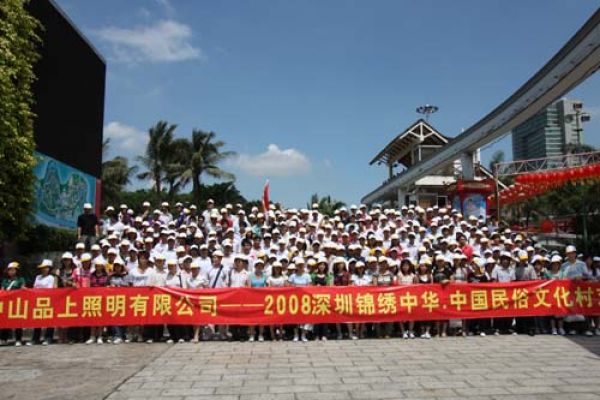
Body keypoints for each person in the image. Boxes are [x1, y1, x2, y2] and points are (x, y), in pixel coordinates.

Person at [31, 259, 56, 345]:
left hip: (48, 301)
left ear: (49, 269)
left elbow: (50, 289)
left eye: (46, 268)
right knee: (37, 320)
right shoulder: (38, 277)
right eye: (43, 268)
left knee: (49, 320)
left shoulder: (51, 278)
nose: (44, 269)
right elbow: (35, 287)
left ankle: (48, 338)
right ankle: (35, 338)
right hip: (38, 300)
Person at [0, 262, 26, 346]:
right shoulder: (5, 280)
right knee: (6, 321)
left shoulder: (20, 279)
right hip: (7, 304)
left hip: (17, 303)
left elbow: (23, 289)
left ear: (17, 271)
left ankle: (18, 339)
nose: (11, 271)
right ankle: (3, 339)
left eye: (13, 270)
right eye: (9, 270)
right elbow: (2, 290)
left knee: (18, 321)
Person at [287, 261, 312, 342]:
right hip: (294, 299)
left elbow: (310, 287)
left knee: (305, 317)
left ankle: (303, 335)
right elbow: (288, 286)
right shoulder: (292, 276)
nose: (300, 267)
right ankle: (296, 335)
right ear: (296, 266)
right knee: (295, 317)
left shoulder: (307, 276)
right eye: (299, 265)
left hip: (305, 300)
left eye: (302, 265)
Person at [87, 259, 109, 344]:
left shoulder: (106, 275)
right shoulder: (91, 275)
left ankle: (100, 336)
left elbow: (107, 286)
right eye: (96, 266)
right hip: (92, 298)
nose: (98, 267)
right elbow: (89, 285)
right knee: (93, 318)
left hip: (102, 299)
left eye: (99, 266)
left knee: (101, 318)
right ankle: (92, 336)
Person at [108, 259, 129, 344]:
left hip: (123, 300)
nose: (117, 268)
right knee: (114, 318)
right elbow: (107, 286)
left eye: (119, 266)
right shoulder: (111, 276)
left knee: (123, 319)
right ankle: (117, 335)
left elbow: (128, 287)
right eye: (116, 266)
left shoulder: (125, 276)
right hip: (113, 300)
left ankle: (123, 335)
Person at [350, 261, 371, 340]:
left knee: (363, 317)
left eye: (362, 268)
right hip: (356, 299)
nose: (360, 269)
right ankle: (357, 332)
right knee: (356, 317)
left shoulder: (367, 277)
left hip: (365, 299)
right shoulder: (353, 277)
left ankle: (361, 332)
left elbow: (370, 286)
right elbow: (351, 286)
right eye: (359, 268)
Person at [248, 259, 267, 342]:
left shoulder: (265, 276)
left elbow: (266, 287)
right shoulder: (250, 276)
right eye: (258, 265)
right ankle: (252, 334)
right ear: (255, 266)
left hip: (262, 299)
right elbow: (249, 287)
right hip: (252, 299)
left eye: (261, 266)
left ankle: (260, 334)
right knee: (252, 317)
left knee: (262, 318)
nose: (259, 267)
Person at [397, 259, 416, 339]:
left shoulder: (412, 275)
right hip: (402, 297)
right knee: (401, 315)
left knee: (412, 315)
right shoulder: (399, 275)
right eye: (404, 265)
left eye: (407, 265)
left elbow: (415, 286)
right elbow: (398, 286)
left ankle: (410, 331)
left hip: (411, 297)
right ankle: (403, 332)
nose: (405, 267)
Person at [266, 262, 286, 341]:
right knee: (271, 318)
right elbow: (267, 288)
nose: (277, 269)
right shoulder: (269, 278)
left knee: (281, 319)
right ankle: (272, 335)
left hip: (281, 300)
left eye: (278, 268)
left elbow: (286, 288)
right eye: (275, 268)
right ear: (273, 269)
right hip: (272, 300)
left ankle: (280, 335)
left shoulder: (283, 278)